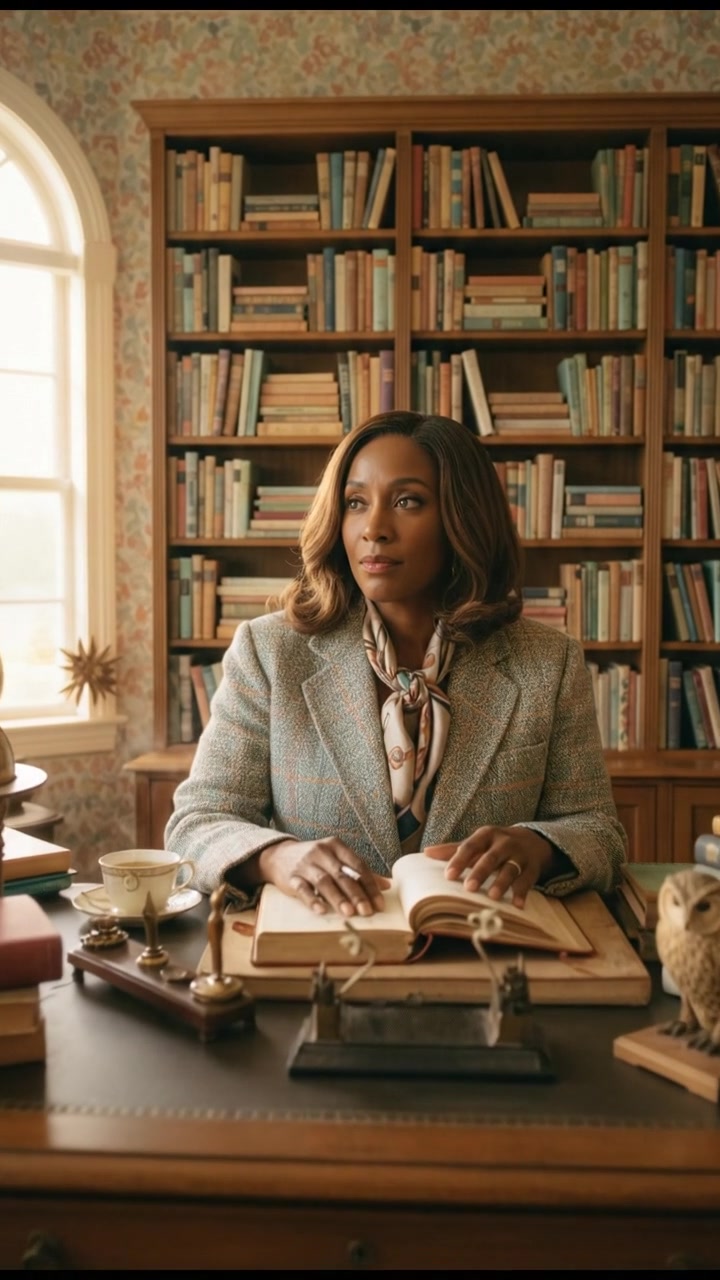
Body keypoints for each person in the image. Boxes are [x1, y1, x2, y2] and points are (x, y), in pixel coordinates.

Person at [166, 410, 627, 918]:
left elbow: (598, 831)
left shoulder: (548, 662)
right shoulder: (270, 651)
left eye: (408, 501)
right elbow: (197, 823)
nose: (375, 529)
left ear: (463, 517)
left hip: (485, 948)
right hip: (323, 947)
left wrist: (539, 847)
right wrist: (277, 857)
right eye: (356, 503)